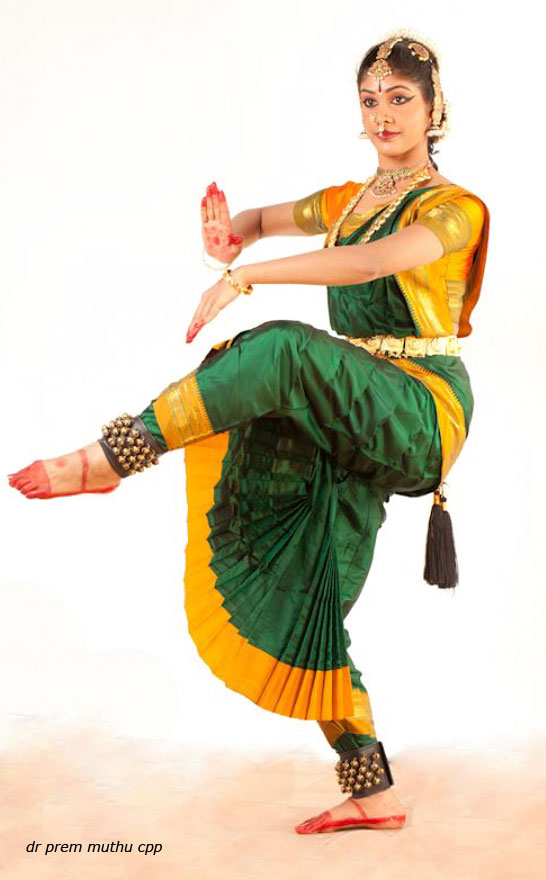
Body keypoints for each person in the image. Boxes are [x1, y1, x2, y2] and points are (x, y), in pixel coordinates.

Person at [8, 30, 490, 834]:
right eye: (370, 100)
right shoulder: (348, 201)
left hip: (418, 409)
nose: (383, 115)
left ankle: (114, 457)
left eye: (401, 99)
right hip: (353, 407)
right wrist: (235, 233)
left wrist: (247, 276)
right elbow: (268, 217)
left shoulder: (453, 209)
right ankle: (373, 791)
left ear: (434, 107)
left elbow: (372, 265)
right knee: (312, 590)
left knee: (279, 350)